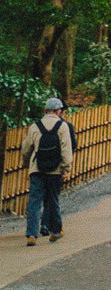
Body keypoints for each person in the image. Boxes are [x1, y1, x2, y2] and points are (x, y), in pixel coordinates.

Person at [21, 96, 74, 245]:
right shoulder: (62, 126)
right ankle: (55, 231)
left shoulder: (35, 126)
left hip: (37, 169)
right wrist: (66, 169)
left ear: (45, 110)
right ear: (58, 111)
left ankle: (31, 235)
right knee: (53, 200)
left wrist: (28, 165)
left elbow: (26, 149)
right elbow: (66, 150)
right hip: (55, 170)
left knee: (34, 202)